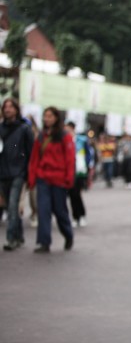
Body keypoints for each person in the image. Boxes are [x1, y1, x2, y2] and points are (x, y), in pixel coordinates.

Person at [28, 106, 75, 253]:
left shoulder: (64, 136)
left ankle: (68, 234)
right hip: (43, 179)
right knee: (43, 210)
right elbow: (35, 158)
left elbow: (70, 158)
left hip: (59, 180)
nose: (47, 119)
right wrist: (32, 177)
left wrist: (69, 178)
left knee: (60, 211)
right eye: (45, 116)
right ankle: (44, 242)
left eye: (50, 116)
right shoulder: (41, 136)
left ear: (56, 118)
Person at [0, 98, 34, 251]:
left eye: (10, 106)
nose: (7, 109)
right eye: (5, 107)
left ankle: (11, 239)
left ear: (16, 109)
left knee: (13, 206)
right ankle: (19, 236)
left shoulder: (24, 128)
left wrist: (28, 172)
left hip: (18, 173)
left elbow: (31, 151)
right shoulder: (1, 128)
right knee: (9, 206)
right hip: (3, 173)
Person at [65, 121, 92, 227]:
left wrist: (87, 166)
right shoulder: (64, 140)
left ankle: (81, 215)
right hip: (69, 170)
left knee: (76, 194)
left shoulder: (81, 140)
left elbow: (88, 154)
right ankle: (76, 217)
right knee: (72, 195)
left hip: (80, 171)